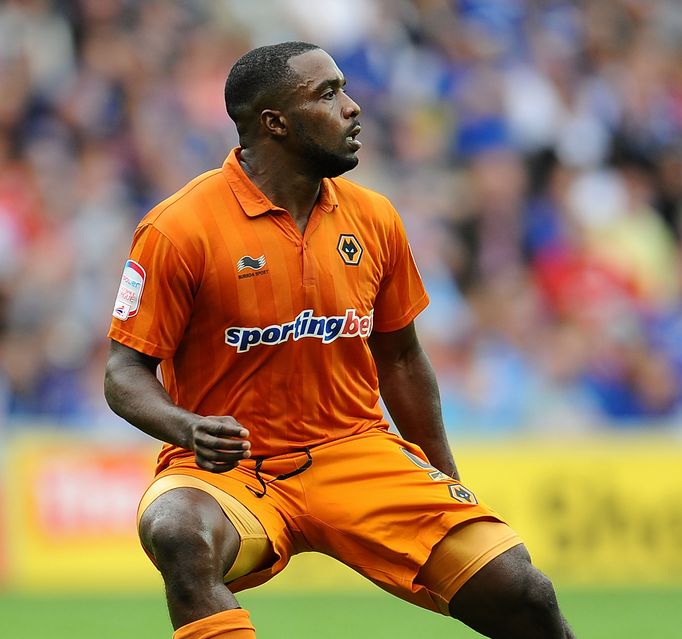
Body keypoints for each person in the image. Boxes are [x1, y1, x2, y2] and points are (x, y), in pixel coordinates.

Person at [104, 41, 575, 639]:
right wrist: (188, 428)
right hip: (231, 469)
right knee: (178, 530)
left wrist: (445, 478)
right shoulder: (178, 228)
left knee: (524, 592)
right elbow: (123, 373)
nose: (352, 107)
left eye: (344, 89)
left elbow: (401, 359)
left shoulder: (375, 217)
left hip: (354, 451)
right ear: (275, 122)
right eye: (327, 94)